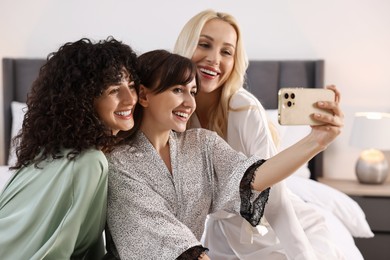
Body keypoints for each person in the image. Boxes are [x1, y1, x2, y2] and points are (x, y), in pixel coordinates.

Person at [104, 49, 343, 259]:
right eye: (178, 90)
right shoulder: (119, 161)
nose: (189, 103)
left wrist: (317, 141)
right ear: (144, 96)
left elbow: (252, 177)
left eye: (193, 91)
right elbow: (166, 238)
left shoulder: (201, 143)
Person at [173, 9, 347, 260]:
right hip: (222, 239)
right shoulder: (172, 114)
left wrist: (302, 256)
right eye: (204, 44)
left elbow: (275, 194)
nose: (214, 59)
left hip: (283, 232)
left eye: (226, 52)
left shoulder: (244, 109)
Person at [0, 37, 139, 259]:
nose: (130, 98)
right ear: (85, 100)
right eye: (114, 90)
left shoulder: (43, 152)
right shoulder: (91, 161)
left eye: (132, 86)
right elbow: (58, 250)